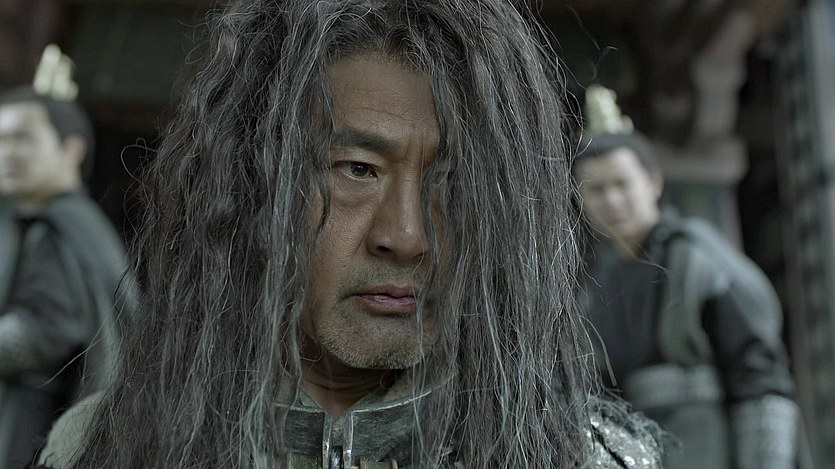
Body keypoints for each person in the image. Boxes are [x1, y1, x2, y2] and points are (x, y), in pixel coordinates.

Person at [36, 2, 663, 468]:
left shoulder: (580, 457)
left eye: (452, 183)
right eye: (357, 170)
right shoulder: (106, 449)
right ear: (257, 190)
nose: (408, 237)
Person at [574, 85, 799, 469]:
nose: (611, 201)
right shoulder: (598, 285)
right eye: (596, 189)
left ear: (653, 182)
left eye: (622, 184)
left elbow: (761, 376)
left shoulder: (700, 258)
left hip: (711, 445)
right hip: (639, 449)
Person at [0, 83, 130, 468]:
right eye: (0, 139)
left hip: (39, 431)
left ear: (71, 149)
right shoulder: (66, 224)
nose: (7, 152)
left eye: (22, 138)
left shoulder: (60, 229)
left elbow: (47, 333)